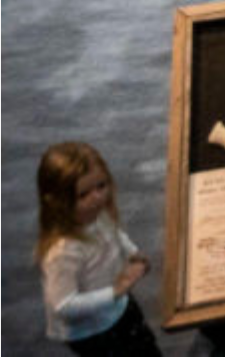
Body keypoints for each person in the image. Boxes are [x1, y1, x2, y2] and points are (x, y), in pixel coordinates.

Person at [37, 142, 160, 355]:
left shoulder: (97, 215)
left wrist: (132, 252)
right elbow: (64, 305)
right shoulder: (63, 252)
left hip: (118, 307)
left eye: (101, 186)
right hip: (93, 331)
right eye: (83, 195)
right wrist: (114, 291)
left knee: (145, 347)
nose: (97, 197)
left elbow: (115, 235)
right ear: (56, 202)